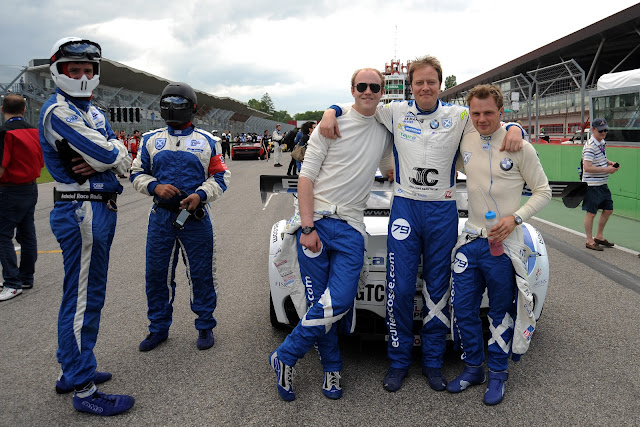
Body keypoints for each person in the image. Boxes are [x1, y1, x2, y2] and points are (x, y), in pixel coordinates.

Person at [320, 56, 524, 393]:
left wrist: (516, 127)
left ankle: (432, 362)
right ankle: (398, 361)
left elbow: (491, 124)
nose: (425, 87)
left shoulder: (459, 115)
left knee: (437, 289)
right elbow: (360, 105)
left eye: (431, 82)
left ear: (440, 85)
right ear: (410, 86)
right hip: (405, 210)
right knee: (400, 289)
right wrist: (330, 110)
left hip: (442, 211)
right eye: (419, 82)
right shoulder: (395, 111)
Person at [269, 68, 393, 401]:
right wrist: (307, 226)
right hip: (318, 224)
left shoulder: (385, 128)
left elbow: (390, 168)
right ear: (352, 90)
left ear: (382, 91)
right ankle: (332, 369)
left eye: (375, 87)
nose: (368, 92)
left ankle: (285, 355)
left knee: (336, 301)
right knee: (316, 302)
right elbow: (305, 180)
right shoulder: (329, 124)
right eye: (362, 86)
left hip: (352, 227)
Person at [39, 37, 134, 416]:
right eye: (73, 69)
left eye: (87, 69)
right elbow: (111, 153)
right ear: (58, 71)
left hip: (98, 208)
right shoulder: (58, 111)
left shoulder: (93, 111)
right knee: (82, 299)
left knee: (86, 295)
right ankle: (83, 386)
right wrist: (111, 158)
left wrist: (112, 159)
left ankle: (74, 368)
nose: (81, 75)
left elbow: (120, 159)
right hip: (81, 211)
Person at [447, 84, 551, 405]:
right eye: (475, 113)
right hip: (471, 241)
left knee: (501, 313)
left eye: (488, 113)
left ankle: (498, 374)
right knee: (463, 310)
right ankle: (473, 368)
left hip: (505, 245)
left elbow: (543, 191)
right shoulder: (464, 139)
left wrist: (515, 219)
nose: (481, 119)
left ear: (501, 111)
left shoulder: (520, 146)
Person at [131, 82, 230, 353]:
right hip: (161, 217)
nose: (173, 107)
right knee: (156, 274)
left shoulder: (208, 141)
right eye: (168, 102)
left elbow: (221, 176)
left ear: (191, 107)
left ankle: (205, 325)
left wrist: (200, 194)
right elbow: (137, 172)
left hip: (194, 217)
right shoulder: (150, 140)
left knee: (201, 273)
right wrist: (155, 187)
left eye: (179, 102)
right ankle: (158, 328)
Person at [0, 94, 43, 301]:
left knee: (2, 236)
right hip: (30, 187)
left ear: (2, 110)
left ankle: (11, 281)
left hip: (9, 188)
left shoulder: (4, 133)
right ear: (24, 110)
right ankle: (26, 277)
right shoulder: (35, 131)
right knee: (27, 234)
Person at [582, 118, 619, 251]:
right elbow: (587, 167)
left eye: (606, 130)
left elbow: (601, 158)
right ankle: (589, 240)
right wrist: (607, 169)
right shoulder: (590, 147)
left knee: (608, 209)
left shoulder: (601, 142)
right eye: (601, 130)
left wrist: (608, 162)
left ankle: (599, 236)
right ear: (593, 130)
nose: (604, 133)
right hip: (592, 185)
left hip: (602, 183)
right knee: (591, 213)